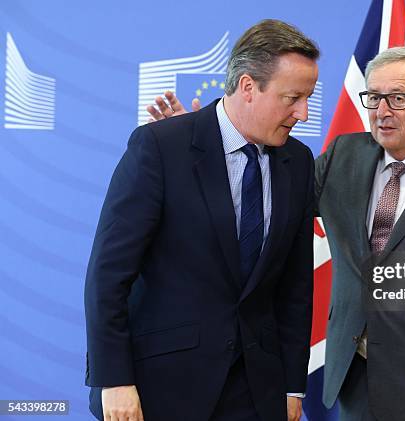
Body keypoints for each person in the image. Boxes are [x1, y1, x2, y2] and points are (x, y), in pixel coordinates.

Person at [148, 47, 405, 421]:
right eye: (374, 97)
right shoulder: (345, 154)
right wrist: (210, 151)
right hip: (354, 379)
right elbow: (275, 203)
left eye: (397, 98)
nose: (381, 112)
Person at [84, 19, 319, 421]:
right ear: (248, 87)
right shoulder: (160, 147)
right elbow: (108, 275)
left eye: (307, 97)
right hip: (161, 386)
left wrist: (292, 384)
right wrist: (114, 379)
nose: (303, 112)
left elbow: (295, 286)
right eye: (292, 98)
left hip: (257, 392)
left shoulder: (297, 161)